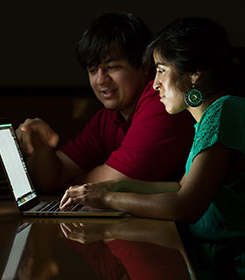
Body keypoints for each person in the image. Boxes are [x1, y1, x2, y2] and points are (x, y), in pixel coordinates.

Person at [59, 17, 245, 277]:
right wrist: (115, 186)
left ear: (194, 73)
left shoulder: (224, 112)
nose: (155, 83)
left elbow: (184, 205)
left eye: (161, 70)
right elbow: (180, 187)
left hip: (231, 264)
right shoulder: (208, 119)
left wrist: (106, 199)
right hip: (209, 256)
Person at [16, 12, 194, 193]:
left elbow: (111, 185)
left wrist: (74, 181)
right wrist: (38, 147)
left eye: (112, 67)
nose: (101, 80)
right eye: (93, 70)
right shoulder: (107, 118)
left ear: (145, 65)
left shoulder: (162, 103)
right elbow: (53, 179)